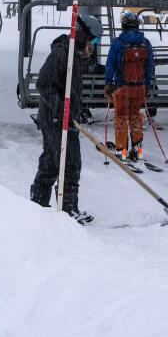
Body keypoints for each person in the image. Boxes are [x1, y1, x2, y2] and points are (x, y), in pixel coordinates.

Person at [30, 12, 101, 224]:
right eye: (93, 40)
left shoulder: (75, 54)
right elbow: (44, 84)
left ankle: (38, 205)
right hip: (55, 117)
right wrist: (63, 110)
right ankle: (68, 210)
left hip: (65, 117)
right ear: (82, 34)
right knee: (69, 163)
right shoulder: (61, 55)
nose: (94, 45)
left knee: (52, 161)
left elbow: (71, 86)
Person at [104, 11, 155, 164]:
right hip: (139, 87)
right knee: (135, 116)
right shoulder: (145, 43)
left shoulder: (118, 43)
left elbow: (110, 64)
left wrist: (108, 82)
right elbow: (150, 66)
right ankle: (137, 149)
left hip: (122, 87)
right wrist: (147, 83)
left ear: (123, 25)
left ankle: (122, 150)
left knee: (120, 117)